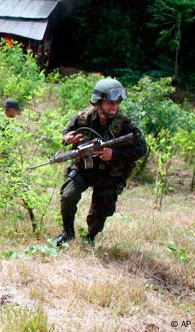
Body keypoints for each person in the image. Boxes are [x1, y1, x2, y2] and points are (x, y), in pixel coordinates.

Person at [54, 78, 147, 246]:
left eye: (117, 103)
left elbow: (141, 149)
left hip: (109, 174)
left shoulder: (125, 125)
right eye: (110, 103)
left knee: (101, 211)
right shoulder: (83, 118)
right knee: (68, 195)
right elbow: (66, 132)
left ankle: (90, 238)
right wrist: (67, 138)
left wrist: (115, 155)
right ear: (98, 102)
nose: (115, 107)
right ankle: (67, 233)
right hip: (83, 168)